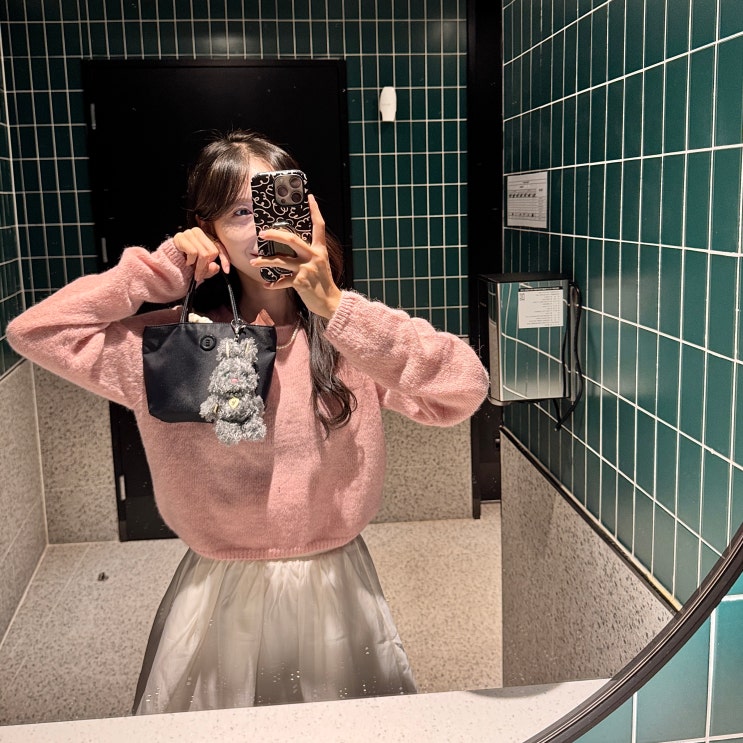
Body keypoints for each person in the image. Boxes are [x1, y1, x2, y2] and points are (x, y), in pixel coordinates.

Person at [7, 130, 490, 714]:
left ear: (307, 213)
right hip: (220, 591)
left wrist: (336, 308)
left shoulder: (348, 337)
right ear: (209, 231)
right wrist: (159, 272)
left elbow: (463, 388)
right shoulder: (172, 349)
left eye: (274, 201)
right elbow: (35, 332)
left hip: (335, 584)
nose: (263, 227)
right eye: (239, 211)